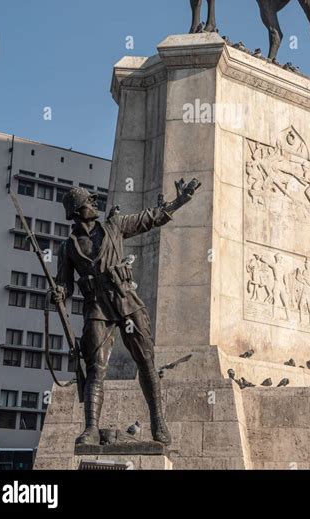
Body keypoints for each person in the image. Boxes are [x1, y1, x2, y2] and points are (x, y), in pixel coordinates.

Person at [52, 180, 199, 446]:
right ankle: (91, 429)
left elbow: (148, 219)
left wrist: (179, 202)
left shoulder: (114, 227)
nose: (94, 204)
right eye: (89, 202)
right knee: (95, 368)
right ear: (76, 211)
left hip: (126, 300)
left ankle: (158, 422)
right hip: (97, 307)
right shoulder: (67, 247)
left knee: (146, 362)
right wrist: (60, 292)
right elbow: (65, 283)